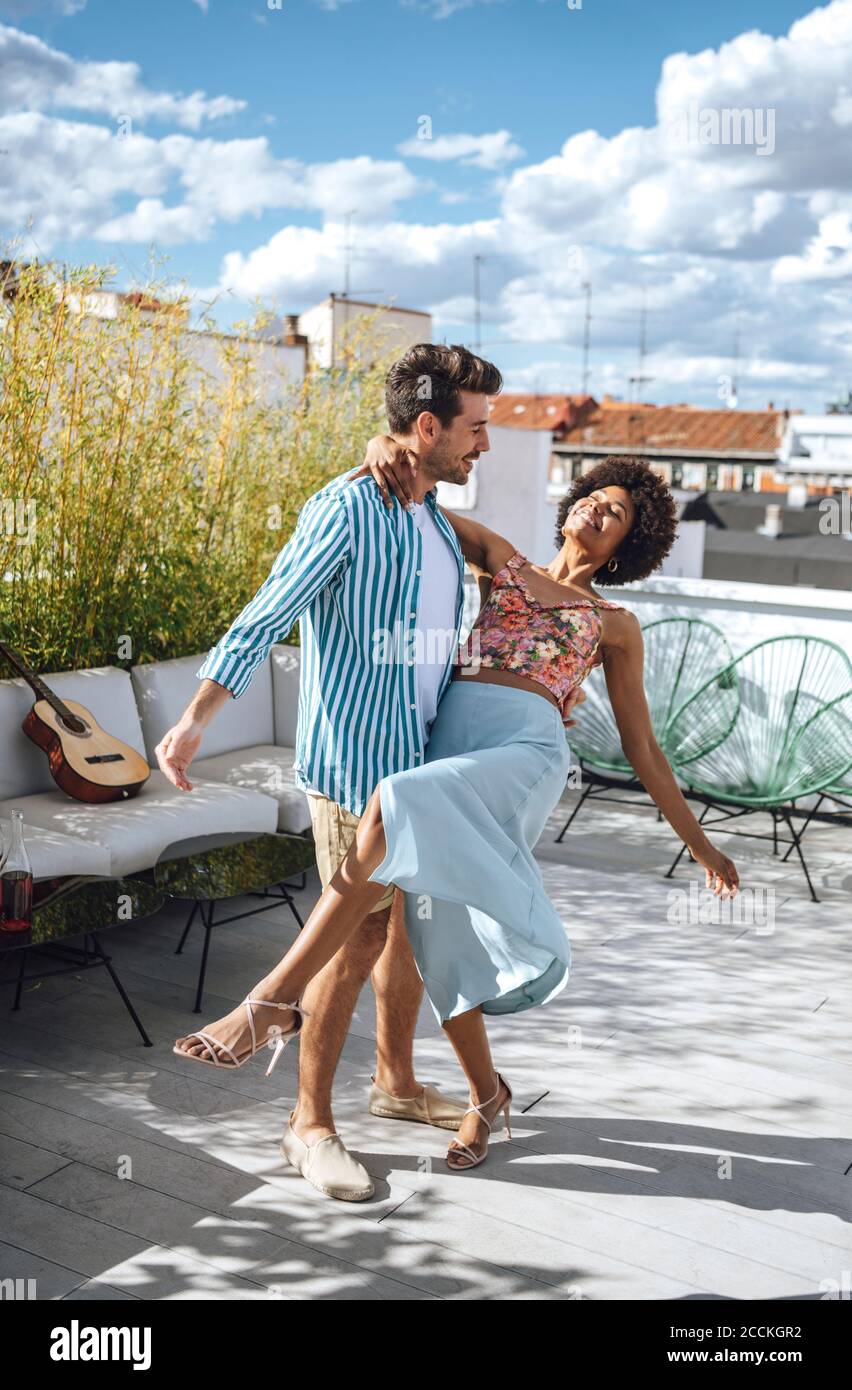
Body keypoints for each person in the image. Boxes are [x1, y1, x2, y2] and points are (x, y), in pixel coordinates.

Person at [170, 441, 740, 1178]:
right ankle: (483, 1094)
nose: (601, 509)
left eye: (620, 514)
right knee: (436, 938)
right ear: (572, 504)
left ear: (630, 544)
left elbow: (644, 752)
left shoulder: (613, 622)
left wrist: (700, 845)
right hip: (446, 746)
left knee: (391, 803)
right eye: (597, 496)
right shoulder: (503, 562)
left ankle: (271, 1001)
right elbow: (418, 493)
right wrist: (376, 448)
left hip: (519, 760)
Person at [157, 343, 504, 1202]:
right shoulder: (349, 508)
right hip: (356, 769)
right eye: (475, 429)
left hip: (419, 769)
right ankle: (307, 1126)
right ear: (426, 426)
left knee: (402, 934)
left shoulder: (427, 515)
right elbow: (267, 611)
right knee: (353, 946)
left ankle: (391, 1084)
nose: (484, 447)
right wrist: (193, 721)